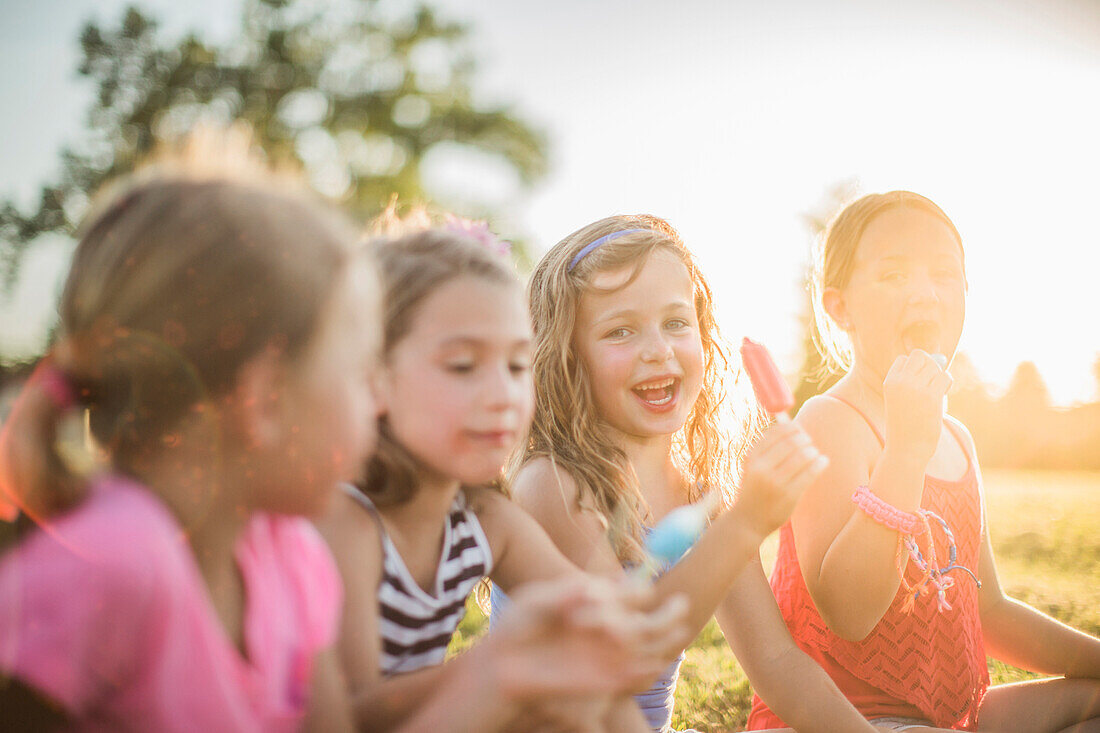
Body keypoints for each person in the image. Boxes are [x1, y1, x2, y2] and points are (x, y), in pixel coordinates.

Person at [0, 133, 377, 731]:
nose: (377, 402)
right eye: (360, 373)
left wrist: (498, 680)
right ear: (265, 399)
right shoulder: (105, 567)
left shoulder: (291, 554)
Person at [504, 215, 884, 732]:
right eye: (620, 331)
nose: (658, 349)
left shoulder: (700, 496)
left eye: (676, 323)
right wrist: (746, 524)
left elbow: (776, 664)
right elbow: (623, 653)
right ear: (567, 356)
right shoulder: (553, 485)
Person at [315, 218, 691, 732]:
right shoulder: (345, 525)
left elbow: (597, 649)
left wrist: (607, 625)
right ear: (375, 378)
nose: (501, 395)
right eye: (464, 365)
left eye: (516, 366)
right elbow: (345, 718)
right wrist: (499, 669)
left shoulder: (485, 520)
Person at [748, 191, 1100, 732]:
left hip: (947, 719)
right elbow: (849, 614)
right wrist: (906, 451)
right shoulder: (831, 420)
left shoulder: (957, 436)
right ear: (840, 307)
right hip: (847, 720)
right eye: (893, 275)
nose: (924, 293)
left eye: (943, 274)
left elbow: (991, 611)